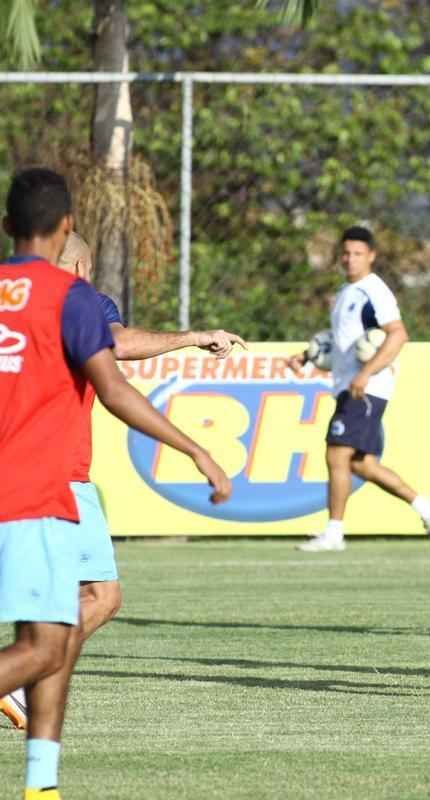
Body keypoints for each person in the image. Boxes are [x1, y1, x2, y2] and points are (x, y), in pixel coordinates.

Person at [0, 167, 231, 800]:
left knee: (47, 639)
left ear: (6, 227)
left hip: (26, 493)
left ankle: (41, 784)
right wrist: (194, 448)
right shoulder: (70, 298)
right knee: (46, 647)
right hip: (35, 493)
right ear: (67, 227)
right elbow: (115, 388)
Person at [289, 226, 430, 551]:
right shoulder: (345, 293)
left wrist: (366, 373)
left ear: (371, 256)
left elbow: (398, 334)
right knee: (362, 464)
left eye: (357, 253)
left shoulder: (374, 291)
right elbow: (342, 343)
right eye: (345, 253)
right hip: (353, 385)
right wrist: (307, 356)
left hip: (365, 388)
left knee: (336, 453)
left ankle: (334, 533)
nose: (350, 259)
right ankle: (427, 507)